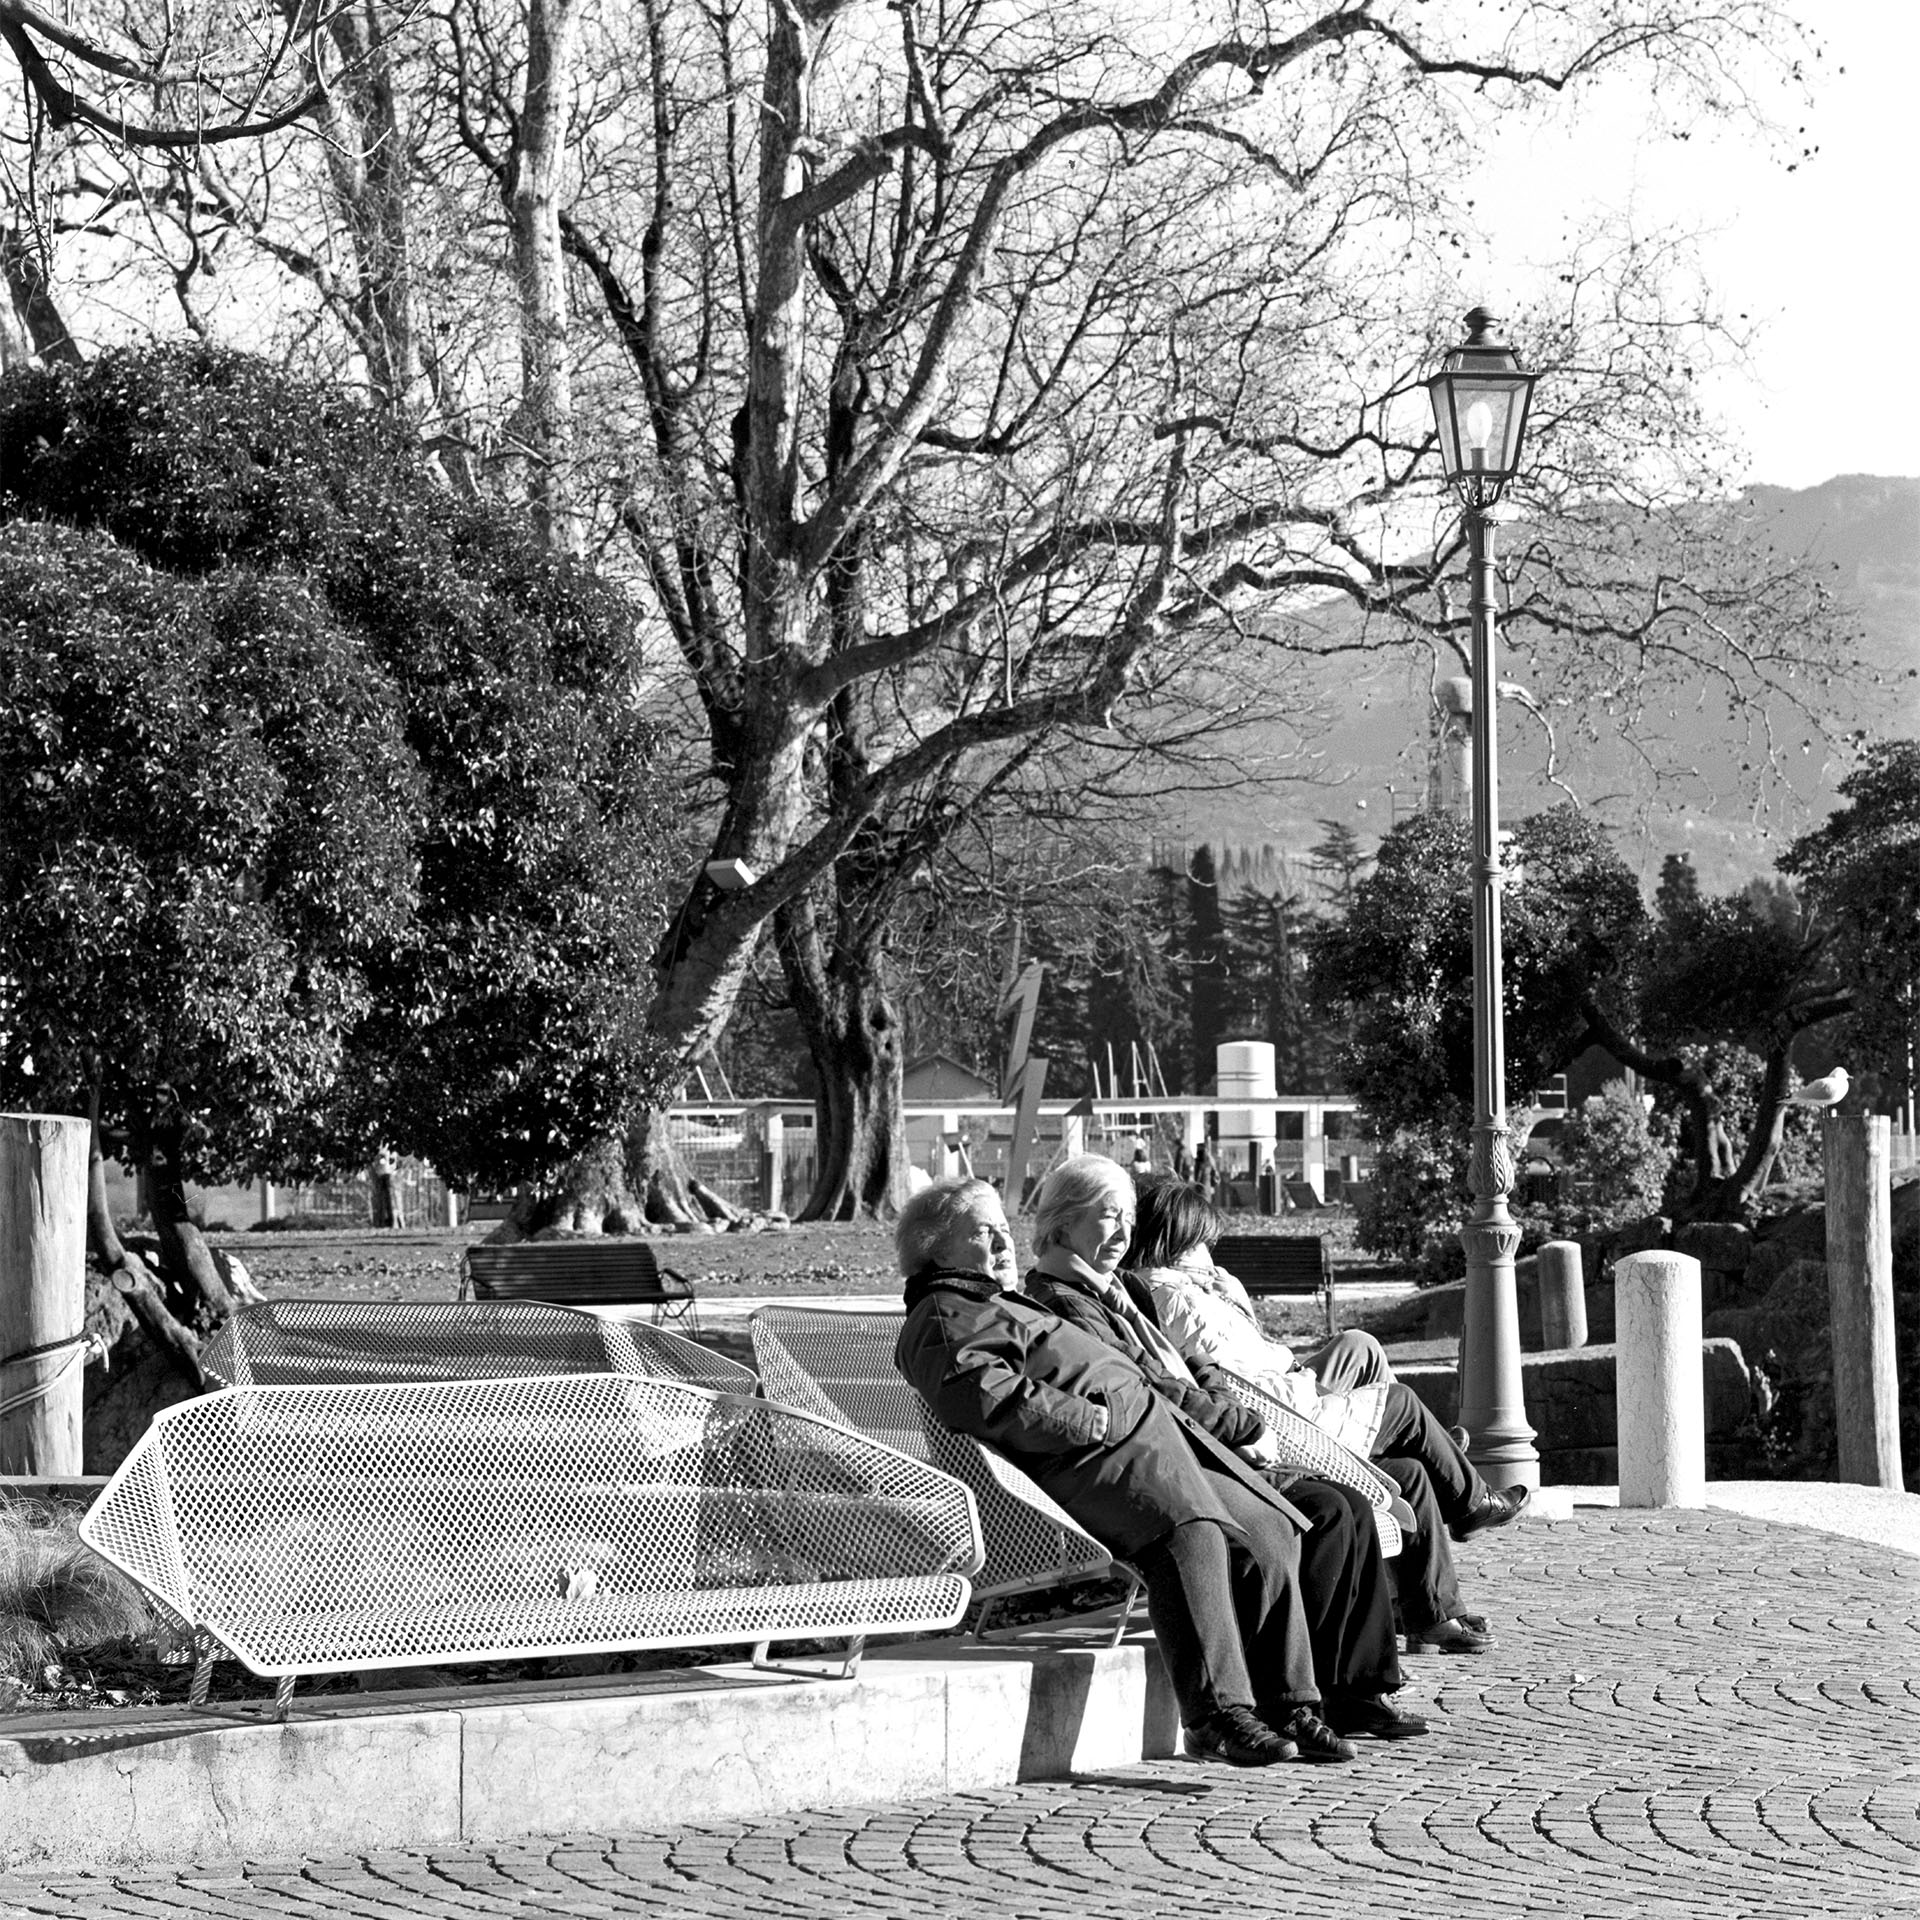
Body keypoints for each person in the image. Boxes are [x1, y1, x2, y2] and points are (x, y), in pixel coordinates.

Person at [894, 1176, 1423, 1768]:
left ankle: (1290, 1704)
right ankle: (1215, 1717)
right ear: (936, 1248)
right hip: (1089, 1463)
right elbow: (983, 1396)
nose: (1001, 1241)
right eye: (980, 1232)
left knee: (1271, 1530)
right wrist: (1092, 1421)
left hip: (1148, 1447)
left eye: (1000, 1227)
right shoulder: (943, 1316)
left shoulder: (993, 1301)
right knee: (1191, 1534)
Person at [1124, 1177, 1529, 1655]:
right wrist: (1301, 1382)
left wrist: (1231, 1298)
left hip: (1287, 1403)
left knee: (1412, 1473)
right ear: (1179, 1238)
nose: (1209, 1250)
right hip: (1285, 1422)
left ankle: (1434, 1614)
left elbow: (1246, 1356)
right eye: (1202, 1241)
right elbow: (1239, 1377)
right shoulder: (1174, 1296)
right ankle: (1469, 1503)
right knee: (1400, 1403)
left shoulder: (1190, 1290)